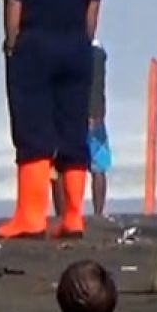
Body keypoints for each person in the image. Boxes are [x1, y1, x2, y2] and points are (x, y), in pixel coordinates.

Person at [0, 0, 107, 239]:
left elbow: (14, 1)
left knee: (33, 129)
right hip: (76, 45)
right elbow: (92, 10)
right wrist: (83, 42)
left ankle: (31, 215)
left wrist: (12, 42)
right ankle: (73, 215)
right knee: (73, 128)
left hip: (35, 44)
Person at [53, 38, 110, 217]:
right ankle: (98, 212)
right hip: (96, 114)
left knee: (62, 166)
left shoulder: (69, 51)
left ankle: (65, 213)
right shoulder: (99, 52)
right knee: (98, 167)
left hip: (73, 116)